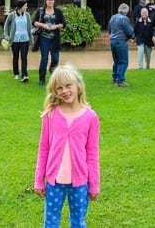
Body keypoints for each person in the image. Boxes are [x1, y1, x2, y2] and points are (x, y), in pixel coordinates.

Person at [34, 64, 100, 228]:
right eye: (59, 88)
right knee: (50, 222)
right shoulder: (51, 115)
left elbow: (92, 153)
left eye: (68, 85)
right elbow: (44, 149)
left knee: (78, 222)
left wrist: (94, 184)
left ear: (78, 84)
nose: (64, 91)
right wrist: (39, 180)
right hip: (54, 182)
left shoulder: (90, 117)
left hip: (80, 183)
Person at [33, 0, 66, 87]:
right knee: (44, 59)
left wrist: (56, 26)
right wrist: (43, 25)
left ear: (54, 1)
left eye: (51, 0)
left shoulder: (58, 11)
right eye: (48, 0)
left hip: (54, 39)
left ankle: (53, 73)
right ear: (45, 1)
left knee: (55, 59)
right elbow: (34, 22)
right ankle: (41, 79)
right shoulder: (41, 11)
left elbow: (64, 23)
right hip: (44, 38)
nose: (50, 1)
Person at [3, 0, 31, 82]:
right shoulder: (12, 15)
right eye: (25, 6)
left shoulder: (27, 15)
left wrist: (31, 38)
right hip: (14, 40)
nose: (26, 7)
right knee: (15, 57)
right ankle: (16, 73)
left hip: (25, 39)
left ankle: (24, 75)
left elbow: (29, 27)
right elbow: (6, 26)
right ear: (21, 6)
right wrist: (7, 36)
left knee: (24, 57)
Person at [108, 3, 135, 87]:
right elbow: (130, 31)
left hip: (112, 40)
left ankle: (115, 77)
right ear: (127, 11)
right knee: (123, 62)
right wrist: (132, 37)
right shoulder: (124, 19)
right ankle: (120, 80)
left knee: (116, 61)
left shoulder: (113, 17)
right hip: (121, 41)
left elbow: (109, 29)